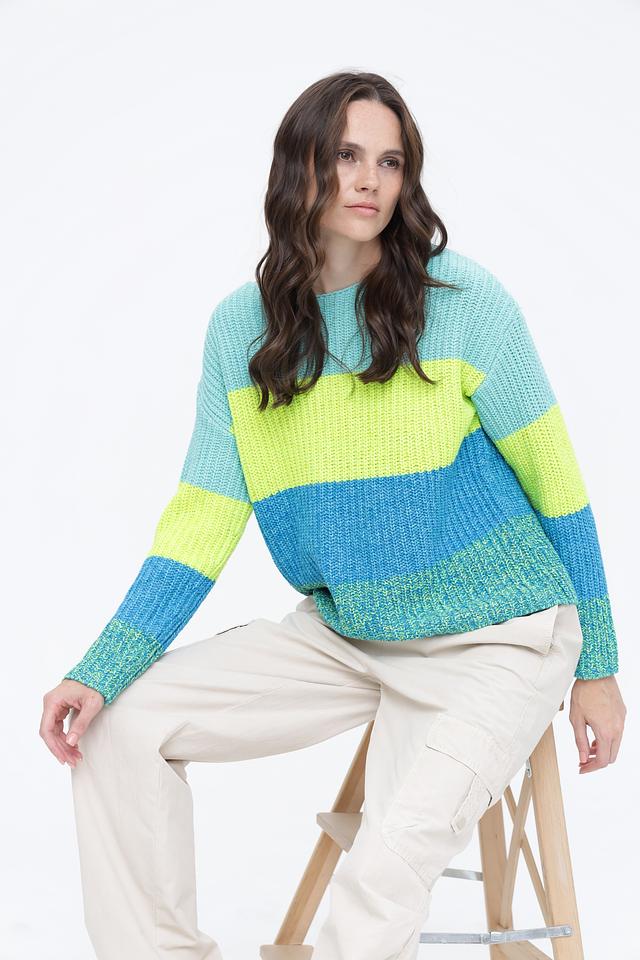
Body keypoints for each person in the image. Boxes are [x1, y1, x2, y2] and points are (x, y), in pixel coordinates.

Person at [40, 71, 626, 960]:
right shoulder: (242, 331)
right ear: (299, 167)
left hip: (499, 639)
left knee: (385, 866)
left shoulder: (463, 303)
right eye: (346, 155)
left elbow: (561, 487)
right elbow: (201, 520)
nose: (369, 181)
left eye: (390, 162)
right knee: (118, 724)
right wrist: (102, 667)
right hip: (350, 634)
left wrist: (601, 665)